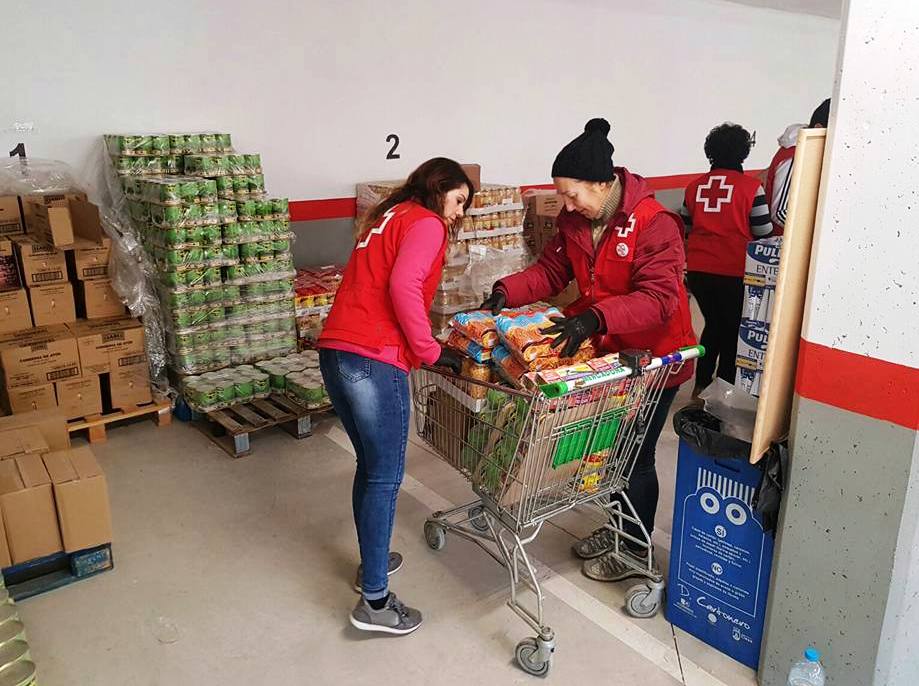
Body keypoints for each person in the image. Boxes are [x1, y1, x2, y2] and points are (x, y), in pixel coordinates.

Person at [480, 118, 696, 583]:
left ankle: (636, 548)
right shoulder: (576, 220)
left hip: (653, 359)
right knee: (609, 450)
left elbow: (660, 301)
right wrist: (506, 291)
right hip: (605, 355)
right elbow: (551, 272)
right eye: (562, 195)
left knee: (633, 453)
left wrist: (594, 318)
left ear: (604, 183)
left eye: (573, 194)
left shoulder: (655, 225)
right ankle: (618, 526)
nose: (567, 204)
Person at [318, 158, 472, 635]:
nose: (460, 213)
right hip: (374, 357)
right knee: (385, 476)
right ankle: (376, 604)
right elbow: (403, 285)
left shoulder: (392, 215)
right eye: (459, 200)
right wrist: (429, 349)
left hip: (338, 351)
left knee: (370, 467)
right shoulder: (426, 222)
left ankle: (372, 565)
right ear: (439, 188)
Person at [680, 123, 773, 395]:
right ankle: (722, 394)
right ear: (743, 153)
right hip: (735, 271)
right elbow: (763, 232)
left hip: (699, 271)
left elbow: (686, 227)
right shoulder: (751, 188)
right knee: (732, 330)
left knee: (714, 325)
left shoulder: (694, 187)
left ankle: (700, 387)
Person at [765, 98, 831, 233]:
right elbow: (781, 212)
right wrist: (819, 237)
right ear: (818, 128)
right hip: (782, 247)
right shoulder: (796, 154)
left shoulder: (807, 151)